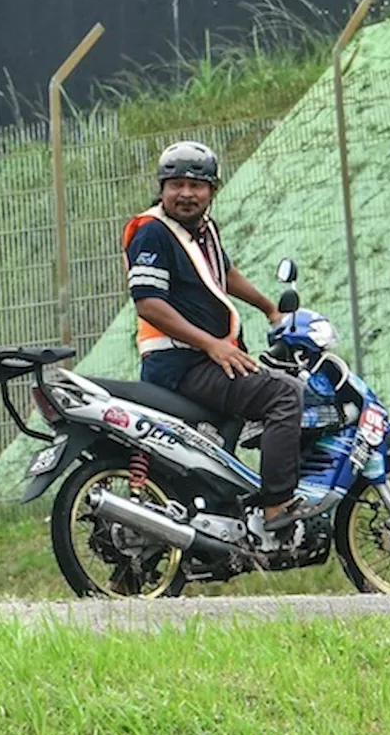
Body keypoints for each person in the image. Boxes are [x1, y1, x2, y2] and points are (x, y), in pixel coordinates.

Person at [122, 141, 316, 531]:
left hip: (205, 358)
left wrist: (270, 309)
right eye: (176, 184)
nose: (186, 194)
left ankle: (228, 507)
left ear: (213, 190)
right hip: (179, 364)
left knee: (276, 387)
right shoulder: (153, 233)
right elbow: (149, 305)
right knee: (284, 395)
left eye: (197, 185)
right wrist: (212, 345)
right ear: (162, 188)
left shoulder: (202, 230)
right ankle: (277, 505)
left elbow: (223, 273)